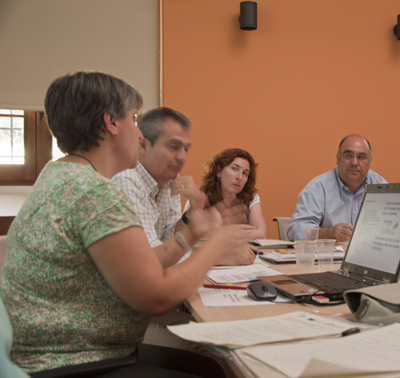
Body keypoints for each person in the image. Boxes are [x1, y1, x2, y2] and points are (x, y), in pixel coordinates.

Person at [0, 71, 249, 376]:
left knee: (211, 367)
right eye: (134, 118)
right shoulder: (95, 192)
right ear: (111, 123)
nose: (139, 134)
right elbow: (157, 297)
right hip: (72, 363)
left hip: (71, 354)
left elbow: (141, 262)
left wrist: (193, 233)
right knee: (218, 370)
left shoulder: (60, 175)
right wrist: (215, 245)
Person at [113, 108, 255, 265]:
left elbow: (170, 239)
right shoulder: (126, 181)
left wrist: (191, 214)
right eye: (174, 147)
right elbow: (149, 258)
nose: (182, 158)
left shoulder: (169, 181)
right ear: (144, 146)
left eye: (186, 149)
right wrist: (217, 256)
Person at [287, 134, 387, 242]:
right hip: (331, 257)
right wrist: (328, 233)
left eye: (361, 157)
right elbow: (295, 230)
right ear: (338, 158)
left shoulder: (382, 187)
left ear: (370, 162)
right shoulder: (317, 188)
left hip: (370, 256)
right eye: (348, 156)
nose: (354, 162)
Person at [197, 148, 267, 240]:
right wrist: (239, 232)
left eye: (245, 173)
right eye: (234, 168)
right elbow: (188, 234)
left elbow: (261, 234)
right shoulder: (201, 195)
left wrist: (221, 233)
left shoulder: (251, 197)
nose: (239, 177)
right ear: (218, 171)